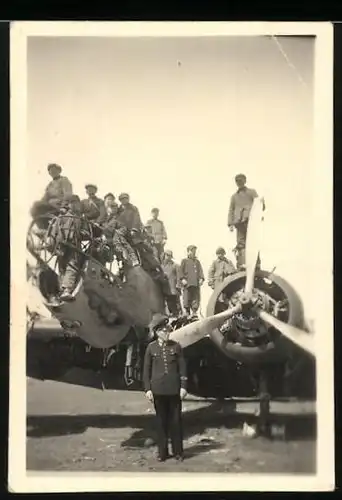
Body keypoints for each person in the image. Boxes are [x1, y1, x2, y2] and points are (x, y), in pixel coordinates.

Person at [143, 313, 187, 462]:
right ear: (157, 332)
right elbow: (146, 371)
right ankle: (162, 453)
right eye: (164, 330)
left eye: (168, 329)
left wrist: (183, 387)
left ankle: (178, 452)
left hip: (174, 390)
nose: (167, 332)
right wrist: (148, 389)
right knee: (161, 422)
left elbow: (182, 368)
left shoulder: (176, 346)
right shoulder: (151, 348)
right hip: (158, 391)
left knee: (176, 422)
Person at [46, 194, 84, 305]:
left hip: (74, 246)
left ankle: (66, 290)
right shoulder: (61, 218)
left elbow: (85, 232)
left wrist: (83, 233)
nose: (75, 205)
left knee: (72, 266)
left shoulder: (81, 219)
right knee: (62, 268)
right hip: (62, 246)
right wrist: (52, 246)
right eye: (73, 203)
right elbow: (54, 233)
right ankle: (63, 292)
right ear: (70, 205)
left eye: (77, 203)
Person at [227, 173, 265, 269]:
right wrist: (230, 224)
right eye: (237, 181)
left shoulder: (251, 192)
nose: (239, 183)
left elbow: (260, 205)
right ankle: (243, 263)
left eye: (241, 180)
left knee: (253, 242)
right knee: (241, 244)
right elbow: (231, 210)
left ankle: (256, 264)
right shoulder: (234, 197)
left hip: (251, 222)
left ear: (245, 181)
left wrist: (261, 205)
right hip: (239, 224)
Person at [30, 163, 73, 229]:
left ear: (59, 171)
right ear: (49, 173)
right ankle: (43, 228)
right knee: (34, 208)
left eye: (54, 170)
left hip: (59, 206)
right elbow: (45, 198)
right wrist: (40, 204)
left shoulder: (64, 180)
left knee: (37, 205)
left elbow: (68, 194)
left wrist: (64, 206)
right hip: (50, 207)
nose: (53, 172)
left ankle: (44, 228)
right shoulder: (50, 185)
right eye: (50, 171)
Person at [101, 202, 140, 268]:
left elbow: (123, 226)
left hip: (120, 233)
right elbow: (105, 229)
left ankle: (133, 259)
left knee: (120, 240)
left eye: (115, 207)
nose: (114, 209)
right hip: (110, 238)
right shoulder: (106, 219)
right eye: (112, 207)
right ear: (108, 209)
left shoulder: (120, 216)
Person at [179, 245, 204, 317]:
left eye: (194, 251)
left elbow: (200, 271)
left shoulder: (197, 262)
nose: (193, 253)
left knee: (195, 298)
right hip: (187, 284)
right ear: (188, 252)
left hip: (195, 284)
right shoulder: (184, 261)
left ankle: (194, 312)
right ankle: (187, 312)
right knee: (187, 297)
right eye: (192, 251)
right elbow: (181, 271)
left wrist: (201, 279)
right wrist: (182, 279)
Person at [162, 250, 182, 317]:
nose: (168, 257)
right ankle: (172, 314)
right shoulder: (161, 266)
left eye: (169, 256)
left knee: (176, 303)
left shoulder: (175, 265)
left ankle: (178, 315)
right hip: (166, 288)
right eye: (167, 255)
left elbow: (179, 276)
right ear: (164, 256)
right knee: (169, 303)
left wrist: (178, 285)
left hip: (174, 288)